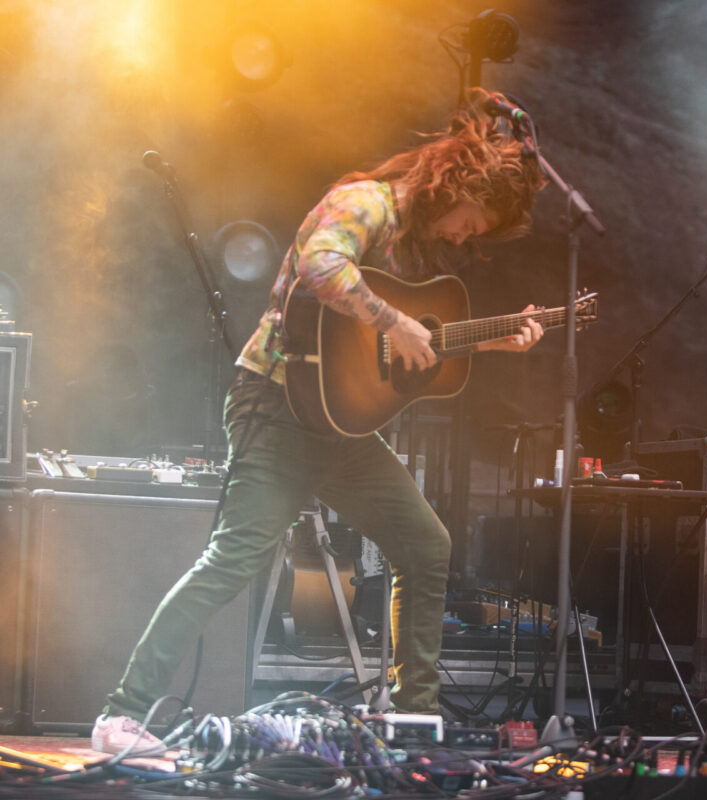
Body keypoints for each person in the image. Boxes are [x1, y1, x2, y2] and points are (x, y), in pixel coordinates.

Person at [92, 91, 547, 755]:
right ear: (461, 185)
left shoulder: (402, 247)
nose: (463, 237)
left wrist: (487, 342)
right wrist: (395, 319)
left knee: (426, 546)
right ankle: (120, 715)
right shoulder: (367, 202)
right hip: (275, 410)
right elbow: (320, 266)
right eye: (472, 223)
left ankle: (412, 725)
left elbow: (375, 353)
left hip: (340, 430)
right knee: (232, 561)